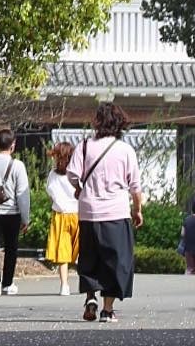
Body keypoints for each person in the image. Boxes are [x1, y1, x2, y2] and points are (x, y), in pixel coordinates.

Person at [68, 102, 143, 324]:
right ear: (120, 122)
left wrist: (80, 189)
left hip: (89, 212)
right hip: (116, 213)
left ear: (97, 122)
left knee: (90, 258)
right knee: (115, 261)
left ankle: (91, 297)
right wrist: (137, 210)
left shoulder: (84, 146)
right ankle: (107, 309)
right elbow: (135, 187)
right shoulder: (125, 150)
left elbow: (72, 174)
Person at [0, 128, 31, 296]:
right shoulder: (17, 165)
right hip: (12, 212)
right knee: (11, 248)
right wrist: (25, 218)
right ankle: (7, 284)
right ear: (13, 145)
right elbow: (22, 194)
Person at [44, 141, 80, 294]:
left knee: (62, 251)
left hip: (60, 214)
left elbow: (51, 192)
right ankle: (85, 282)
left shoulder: (53, 175)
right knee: (82, 250)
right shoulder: (77, 173)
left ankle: (64, 285)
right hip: (79, 214)